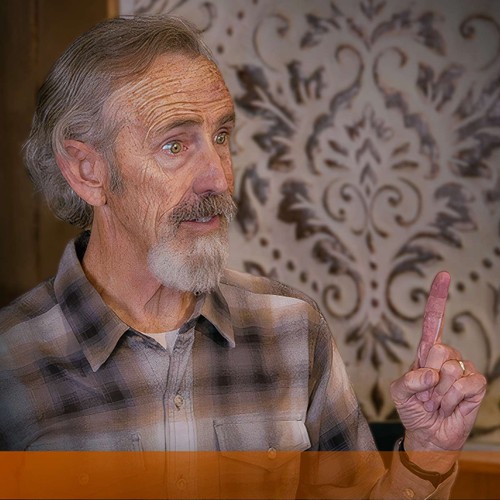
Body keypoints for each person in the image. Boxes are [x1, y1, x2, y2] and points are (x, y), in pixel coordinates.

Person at [0, 15, 487, 499]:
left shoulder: (293, 329)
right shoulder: (11, 360)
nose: (218, 177)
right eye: (174, 145)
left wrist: (427, 456)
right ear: (88, 172)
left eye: (221, 136)